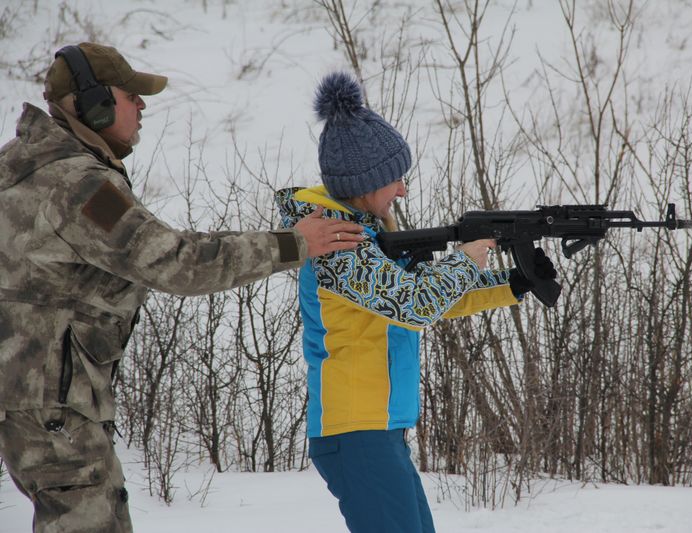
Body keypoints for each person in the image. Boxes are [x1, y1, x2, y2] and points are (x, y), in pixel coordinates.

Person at [0, 43, 364, 533]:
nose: (142, 106)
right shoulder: (77, 186)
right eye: (132, 95)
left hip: (29, 396)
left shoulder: (22, 166)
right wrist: (295, 244)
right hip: (51, 403)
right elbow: (175, 261)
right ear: (94, 103)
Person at [276, 71, 556, 533]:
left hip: (378, 430)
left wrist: (513, 284)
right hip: (356, 432)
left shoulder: (366, 237)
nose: (404, 189)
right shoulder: (337, 244)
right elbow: (415, 303)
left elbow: (426, 298)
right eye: (395, 179)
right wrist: (469, 256)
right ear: (366, 184)